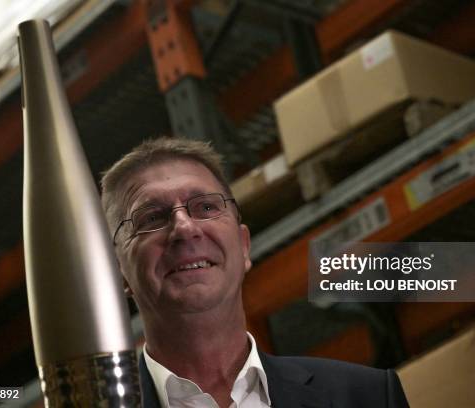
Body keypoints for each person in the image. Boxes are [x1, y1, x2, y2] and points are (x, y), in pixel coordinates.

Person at [101, 137, 409, 408]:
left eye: (206, 207)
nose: (184, 226)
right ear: (120, 273)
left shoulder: (367, 397)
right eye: (152, 217)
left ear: (244, 246)